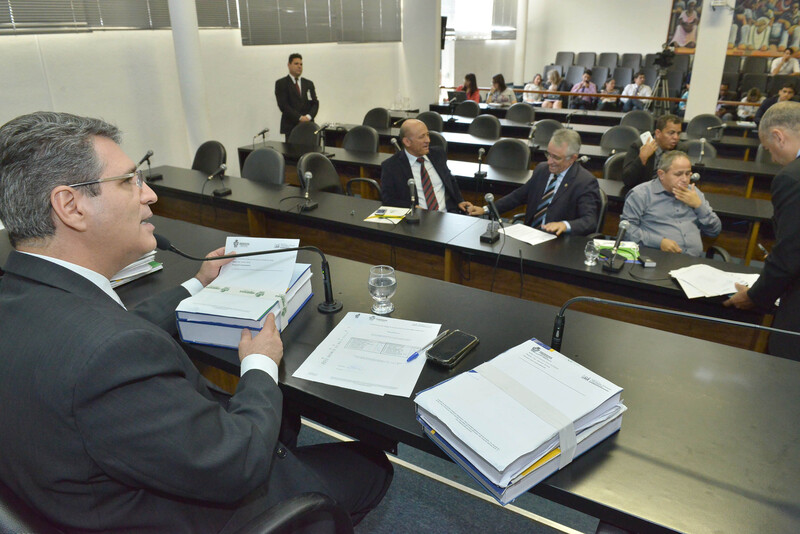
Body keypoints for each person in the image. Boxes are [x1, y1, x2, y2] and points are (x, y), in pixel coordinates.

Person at [0, 111, 392, 532]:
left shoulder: (24, 296)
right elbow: (238, 463)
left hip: (83, 493)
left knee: (282, 419)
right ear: (70, 206)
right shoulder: (110, 354)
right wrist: (260, 363)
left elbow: (114, 325)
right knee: (370, 466)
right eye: (129, 181)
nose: (150, 195)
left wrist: (197, 282)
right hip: (198, 510)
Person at [725, 101, 800, 360]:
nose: (774, 159)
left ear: (778, 136)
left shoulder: (792, 177)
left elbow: (790, 255)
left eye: (769, 150)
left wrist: (755, 296)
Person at [467, 129, 600, 236]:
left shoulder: (585, 181)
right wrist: (487, 209)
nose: (549, 161)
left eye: (556, 157)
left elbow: (590, 221)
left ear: (572, 158)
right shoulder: (542, 169)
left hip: (558, 242)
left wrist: (564, 225)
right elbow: (518, 196)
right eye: (548, 154)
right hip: (530, 235)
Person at [621, 150, 721, 257]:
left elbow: (714, 231)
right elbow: (626, 231)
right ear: (661, 174)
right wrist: (659, 242)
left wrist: (699, 206)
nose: (685, 179)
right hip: (657, 259)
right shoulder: (641, 194)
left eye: (688, 174)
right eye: (678, 174)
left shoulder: (694, 193)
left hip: (694, 261)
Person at [380, 118, 474, 214]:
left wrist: (459, 201)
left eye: (427, 135)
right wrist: (411, 207)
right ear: (407, 142)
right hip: (418, 218)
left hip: (446, 215)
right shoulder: (391, 166)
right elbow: (388, 200)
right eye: (422, 137)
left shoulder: (438, 154)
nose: (428, 140)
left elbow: (450, 180)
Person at [622, 113, 686, 189]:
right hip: (643, 190)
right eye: (671, 133)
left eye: (678, 133)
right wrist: (642, 158)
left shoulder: (680, 149)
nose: (676, 137)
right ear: (658, 133)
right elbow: (627, 180)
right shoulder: (639, 146)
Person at [275, 53, 319, 140]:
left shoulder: (308, 83)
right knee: (292, 149)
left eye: (301, 64)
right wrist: (299, 118)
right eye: (296, 64)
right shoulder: (281, 83)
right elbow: (283, 105)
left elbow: (315, 103)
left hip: (308, 126)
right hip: (291, 127)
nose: (299, 66)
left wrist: (308, 117)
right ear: (289, 65)